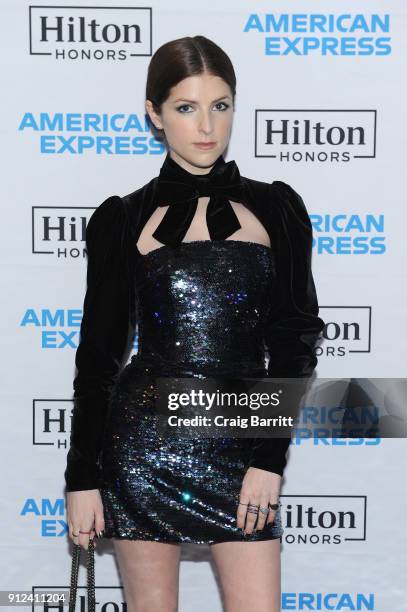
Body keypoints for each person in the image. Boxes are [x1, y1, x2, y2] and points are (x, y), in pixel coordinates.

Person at [64, 35, 325, 612]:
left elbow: (294, 343)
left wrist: (267, 458)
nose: (206, 125)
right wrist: (81, 477)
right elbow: (99, 358)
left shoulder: (277, 206)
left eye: (221, 105)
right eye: (186, 107)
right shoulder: (122, 217)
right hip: (143, 447)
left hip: (242, 443)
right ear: (154, 115)